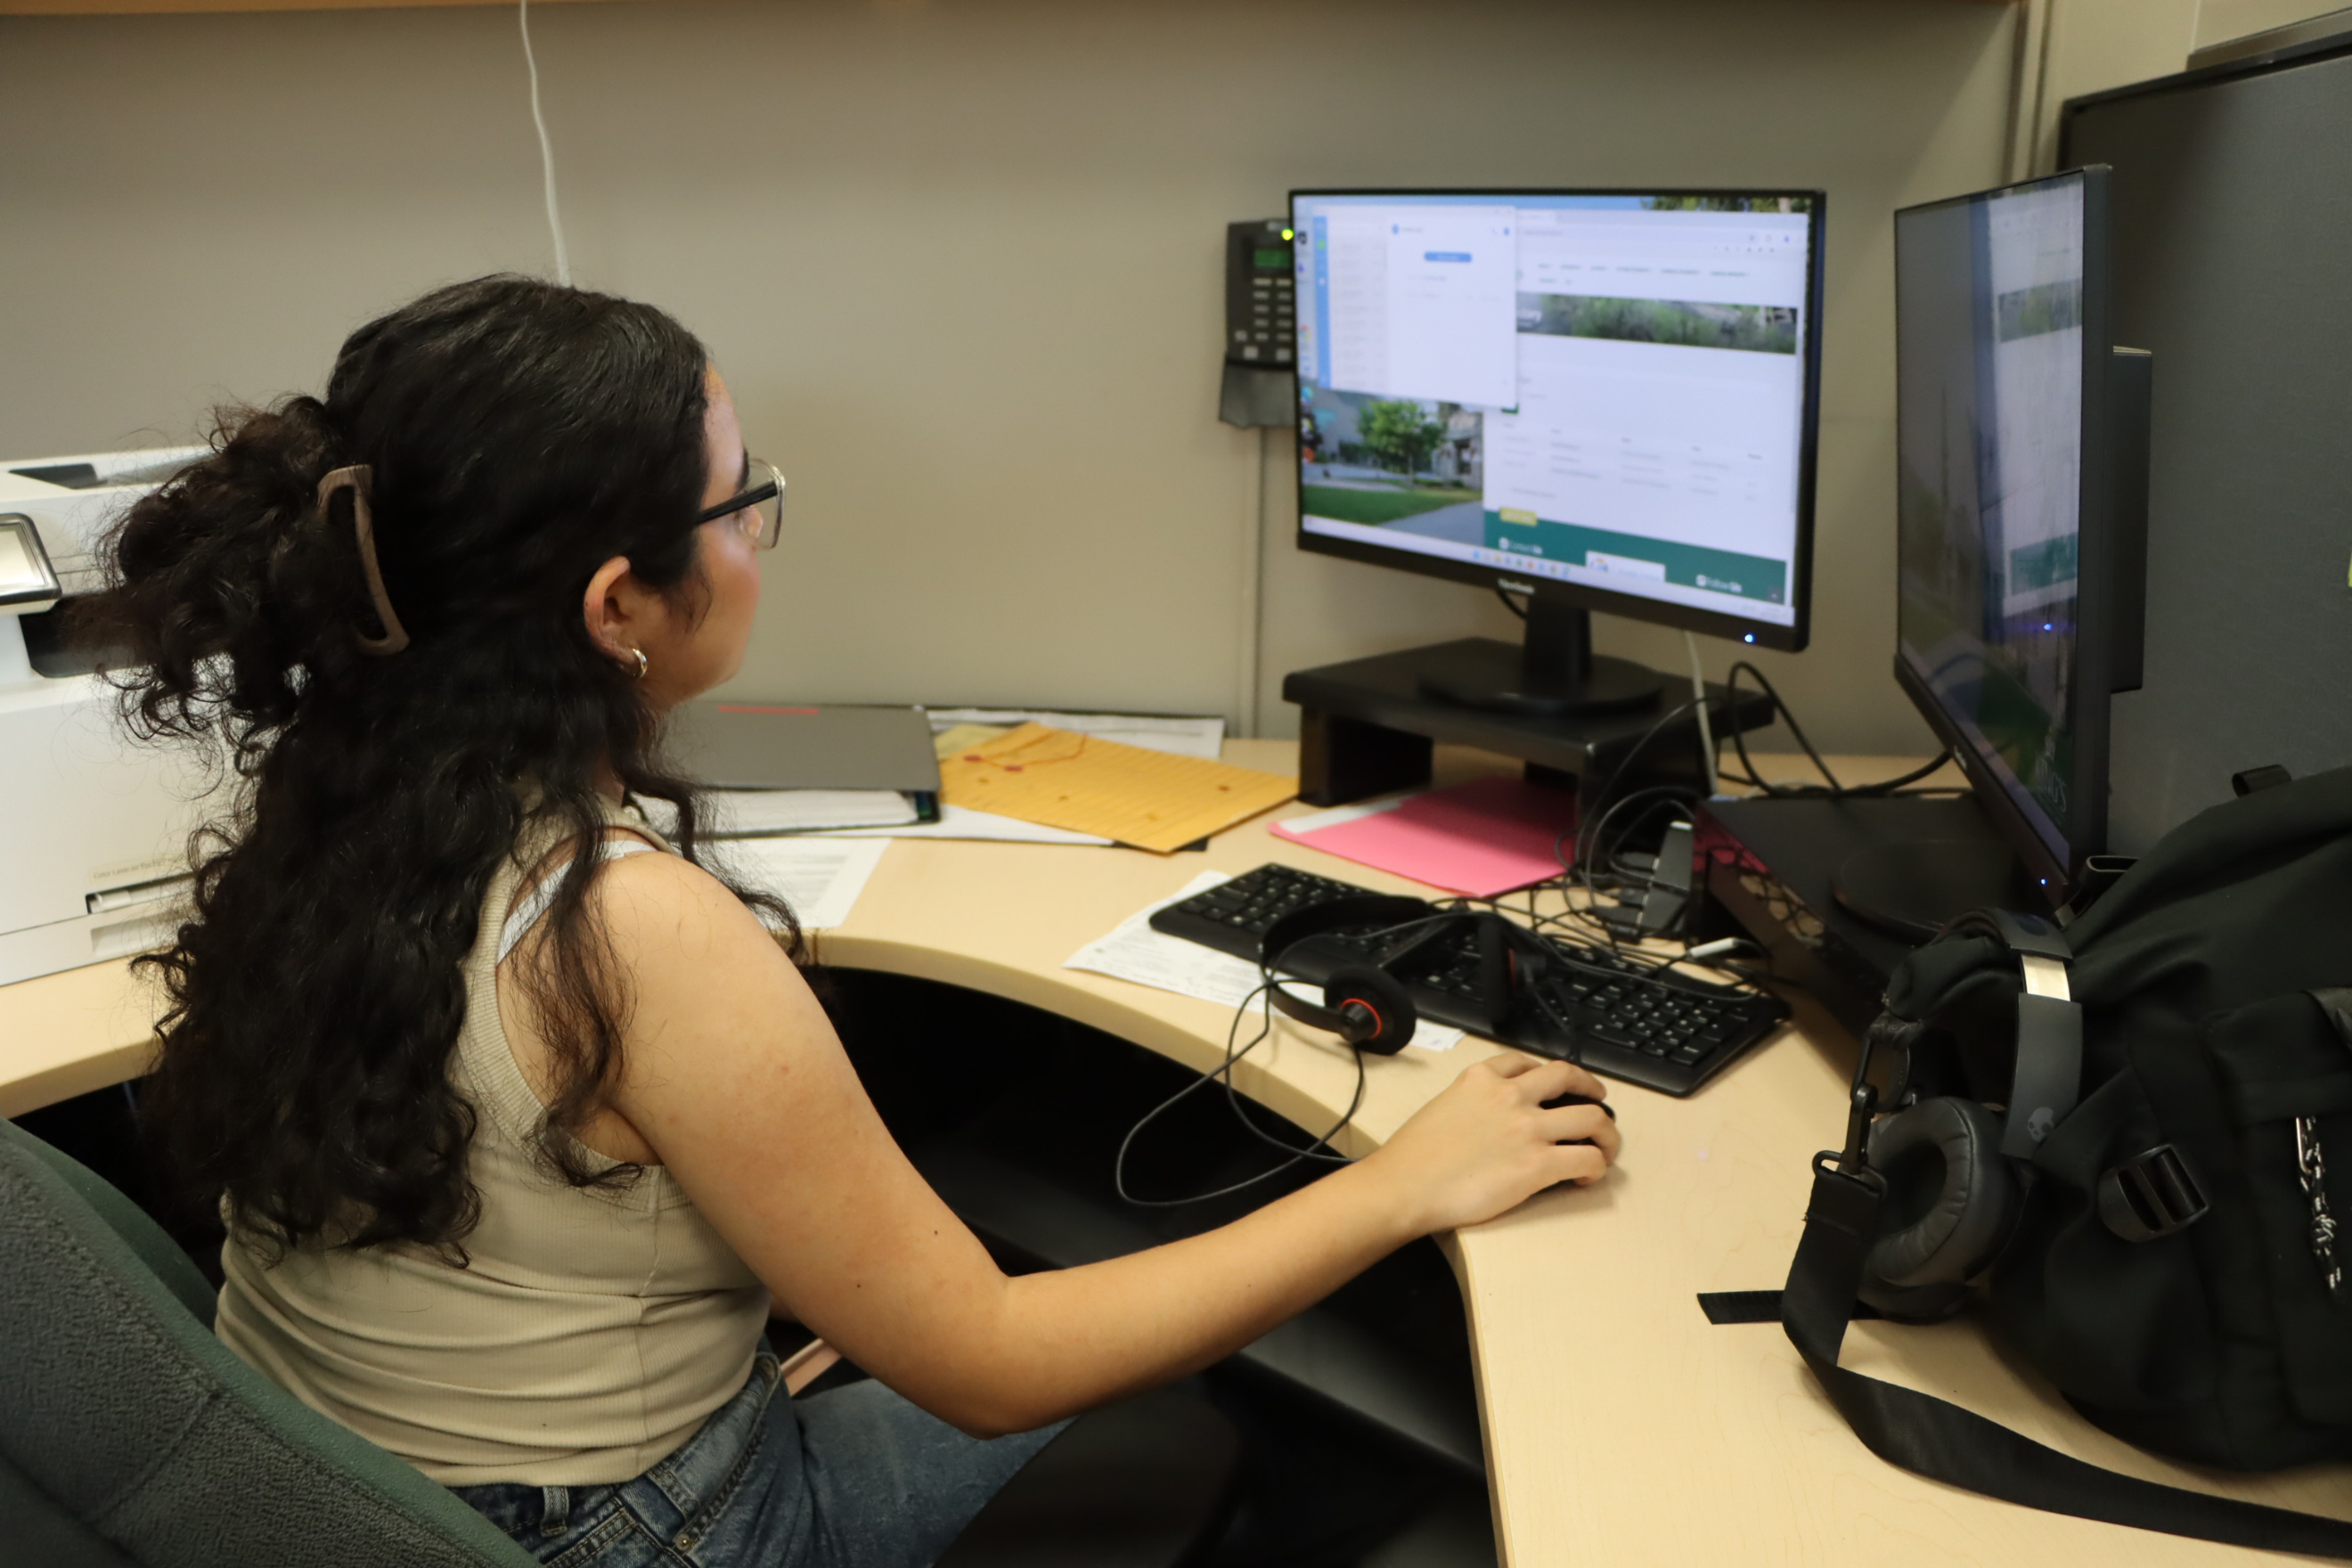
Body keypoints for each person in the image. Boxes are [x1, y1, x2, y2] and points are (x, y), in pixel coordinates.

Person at [95, 275, 1621, 1568]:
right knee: (1209, 1402)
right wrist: (1410, 1183)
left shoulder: (339, 803)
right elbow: (990, 1370)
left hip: (347, 1492)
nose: (760, 532)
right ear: (618, 606)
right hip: (612, 1529)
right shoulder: (628, 932)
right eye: (744, 498)